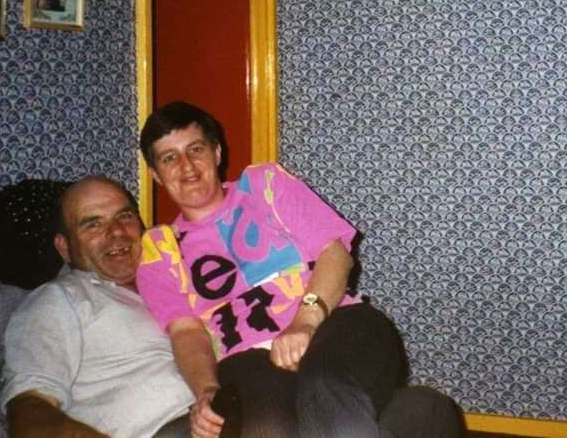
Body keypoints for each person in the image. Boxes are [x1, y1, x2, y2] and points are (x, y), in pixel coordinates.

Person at [137, 102, 464, 438]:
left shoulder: (263, 185)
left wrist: (305, 322)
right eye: (169, 157)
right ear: (155, 174)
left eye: (195, 149)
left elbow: (335, 254)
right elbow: (187, 333)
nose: (186, 166)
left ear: (217, 152)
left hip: (334, 321)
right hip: (247, 359)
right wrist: (207, 389)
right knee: (266, 429)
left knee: (327, 394)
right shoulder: (160, 250)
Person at [0, 175, 194, 438]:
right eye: (93, 224)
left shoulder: (181, 277)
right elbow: (30, 408)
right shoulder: (57, 300)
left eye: (124, 216)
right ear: (65, 248)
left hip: (227, 406)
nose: (116, 232)